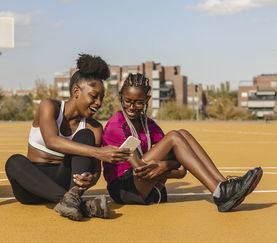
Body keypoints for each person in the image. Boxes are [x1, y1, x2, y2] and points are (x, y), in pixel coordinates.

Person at [103, 73, 263, 212]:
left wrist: (165, 166)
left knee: (183, 134)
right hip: (124, 188)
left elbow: (181, 171)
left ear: (147, 99)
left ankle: (223, 185)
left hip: (148, 186)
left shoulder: (149, 124)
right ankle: (220, 192)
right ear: (120, 97)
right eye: (127, 101)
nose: (131, 106)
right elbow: (141, 170)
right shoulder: (116, 126)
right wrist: (167, 165)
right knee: (174, 137)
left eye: (138, 102)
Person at [5, 54, 131, 221]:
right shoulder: (49, 106)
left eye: (101, 98)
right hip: (31, 187)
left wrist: (91, 179)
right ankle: (80, 204)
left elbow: (95, 171)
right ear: (76, 91)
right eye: (94, 96)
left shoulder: (94, 128)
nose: (99, 103)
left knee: (85, 134)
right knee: (14, 162)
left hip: (66, 183)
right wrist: (99, 152)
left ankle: (71, 200)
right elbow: (51, 140)